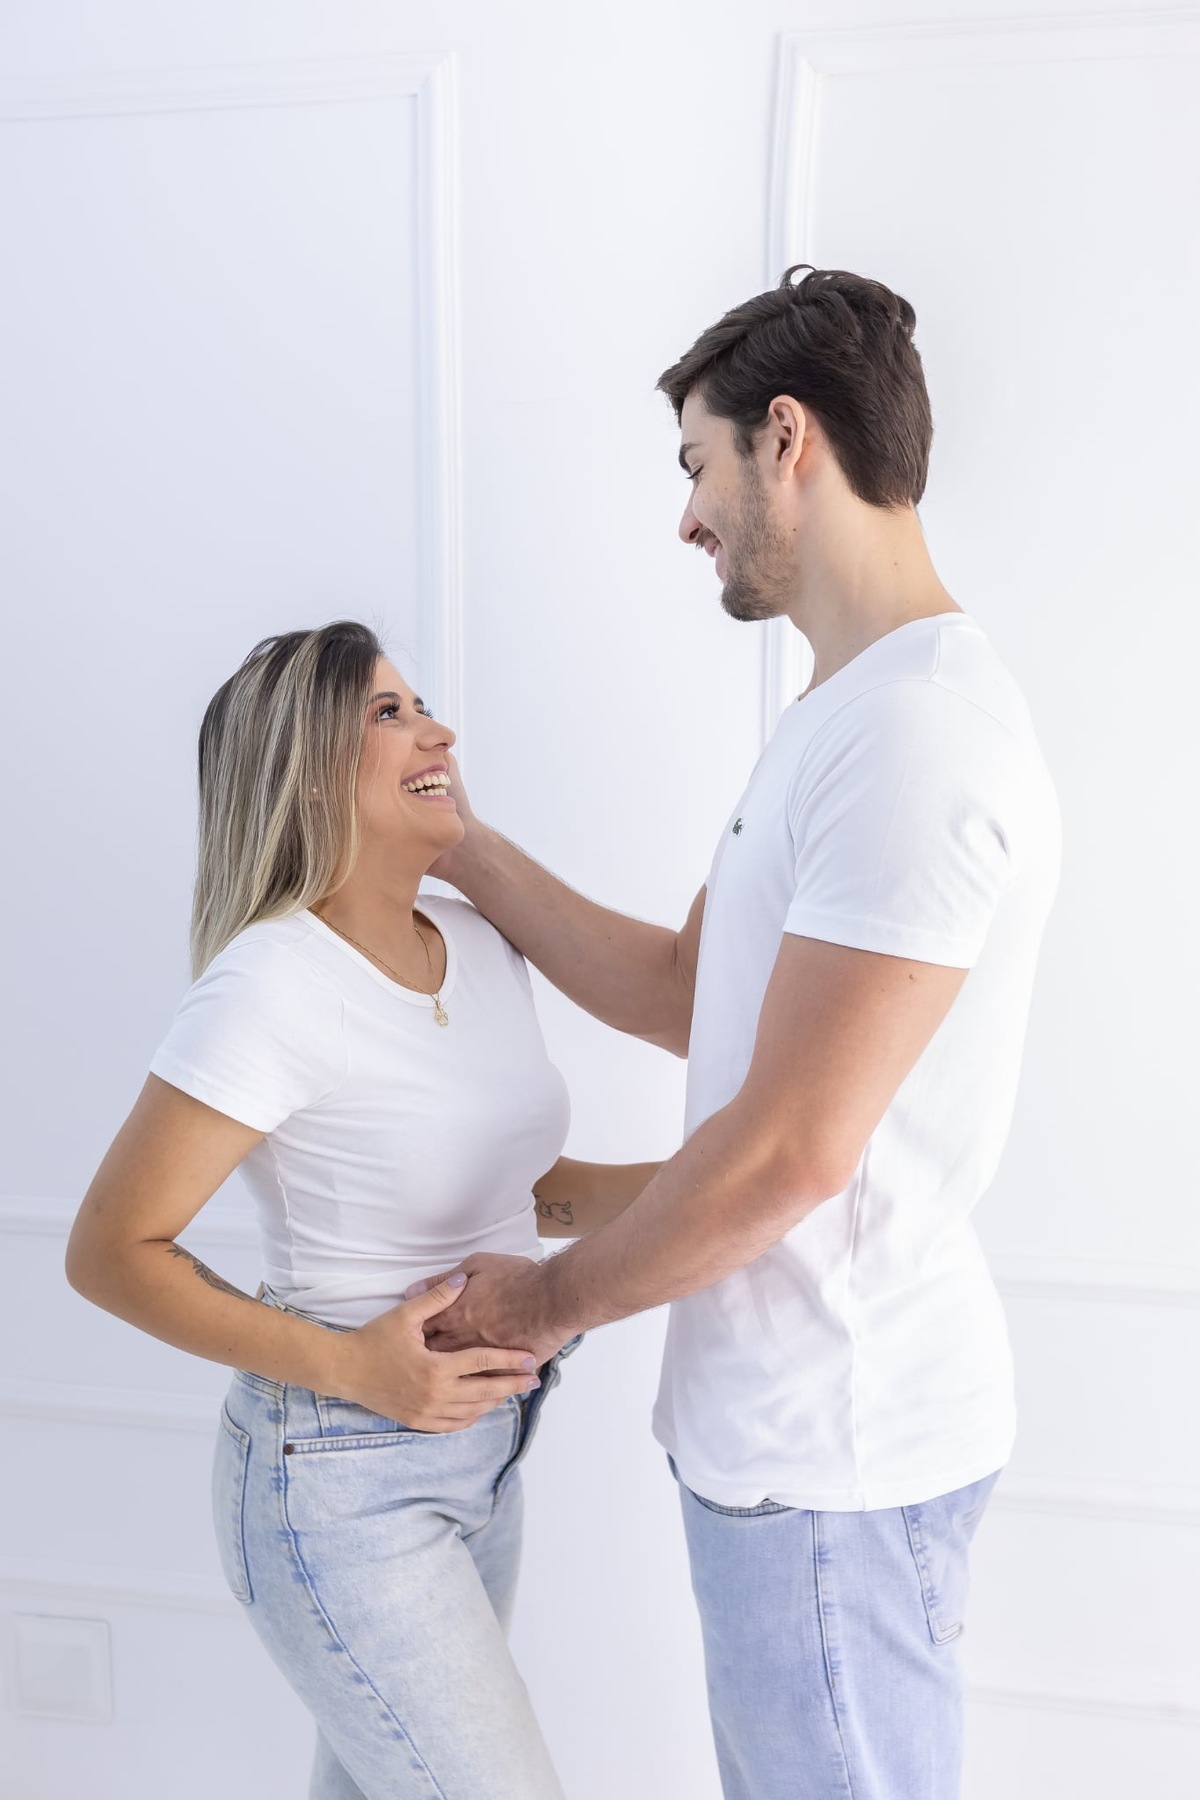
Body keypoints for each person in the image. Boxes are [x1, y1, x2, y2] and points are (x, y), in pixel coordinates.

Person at [413, 267, 1062, 1800]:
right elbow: (685, 990)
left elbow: (787, 1154)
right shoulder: (847, 710)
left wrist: (543, 1302)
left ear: (787, 441)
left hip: (839, 1450)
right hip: (786, 1447)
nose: (688, 519)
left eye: (696, 466)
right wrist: (465, 851)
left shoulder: (918, 735)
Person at [65, 620, 661, 1800]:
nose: (435, 729)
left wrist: (739, 1177)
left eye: (420, 703)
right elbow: (110, 1251)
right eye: (387, 713)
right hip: (337, 1482)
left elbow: (515, 1194)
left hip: (487, 1450)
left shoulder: (483, 947)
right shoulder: (270, 986)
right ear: (300, 764)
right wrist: (352, 1369)